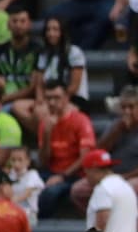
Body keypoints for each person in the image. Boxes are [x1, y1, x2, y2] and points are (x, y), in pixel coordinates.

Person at [71, 86, 138, 217]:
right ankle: (100, 219)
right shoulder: (116, 125)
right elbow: (98, 152)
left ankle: (121, 222)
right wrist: (116, 132)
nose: (127, 111)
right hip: (113, 174)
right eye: (123, 107)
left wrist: (128, 176)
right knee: (78, 190)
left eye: (131, 107)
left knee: (127, 188)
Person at [35, 83, 95, 219]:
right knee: (27, 183)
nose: (52, 102)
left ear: (66, 98)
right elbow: (43, 161)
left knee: (50, 192)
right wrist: (47, 134)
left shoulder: (81, 120)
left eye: (56, 98)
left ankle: (42, 226)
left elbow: (85, 157)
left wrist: (62, 176)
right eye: (48, 98)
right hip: (51, 171)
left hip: (74, 174)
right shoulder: (45, 124)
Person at [82, 150, 138, 232]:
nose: (86, 177)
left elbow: (100, 226)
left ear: (93, 170)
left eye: (86, 172)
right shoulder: (126, 187)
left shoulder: (103, 189)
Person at [33, 17, 88, 113]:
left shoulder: (74, 52)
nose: (51, 34)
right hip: (48, 98)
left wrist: (59, 100)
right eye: (48, 30)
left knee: (46, 114)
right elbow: (39, 85)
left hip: (72, 98)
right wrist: (40, 101)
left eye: (55, 30)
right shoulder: (43, 54)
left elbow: (74, 86)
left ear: (63, 32)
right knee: (20, 107)